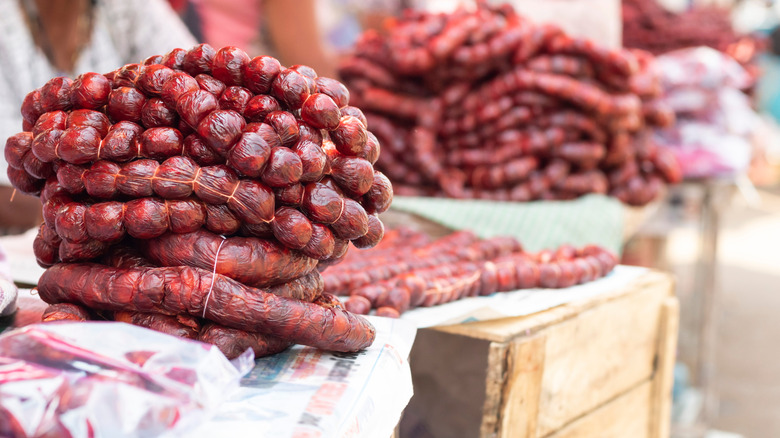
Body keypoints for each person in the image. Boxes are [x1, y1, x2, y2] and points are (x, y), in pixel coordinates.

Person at [0, 0, 196, 232]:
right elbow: (6, 194)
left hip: (134, 222)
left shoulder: (127, 7)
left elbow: (191, 82)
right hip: (30, 244)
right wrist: (92, 217)